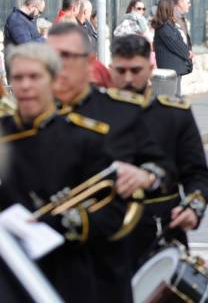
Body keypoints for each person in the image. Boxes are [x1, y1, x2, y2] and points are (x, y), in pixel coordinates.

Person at [46, 22, 167, 302]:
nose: (57, 66)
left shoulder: (122, 112)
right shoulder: (22, 118)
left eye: (67, 57)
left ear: (89, 63)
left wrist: (146, 176)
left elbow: (161, 169)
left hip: (101, 261)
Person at [0, 42, 128, 303]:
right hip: (10, 274)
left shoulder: (84, 138)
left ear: (53, 80)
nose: (25, 86)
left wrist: (66, 222)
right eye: (18, 77)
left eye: (34, 77)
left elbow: (114, 212)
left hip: (66, 270)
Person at [109, 35, 208, 266]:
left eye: (135, 70)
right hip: (108, 240)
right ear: (110, 68)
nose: (128, 79)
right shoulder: (93, 115)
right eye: (121, 70)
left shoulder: (174, 115)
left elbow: (197, 175)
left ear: (150, 68)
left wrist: (194, 208)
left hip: (162, 234)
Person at [154, 0, 193, 95]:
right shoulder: (164, 28)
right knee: (171, 99)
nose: (176, 10)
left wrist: (188, 51)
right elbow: (175, 44)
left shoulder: (170, 25)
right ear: (169, 9)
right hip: (170, 69)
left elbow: (180, 40)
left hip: (174, 69)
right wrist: (187, 53)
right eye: (174, 8)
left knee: (175, 97)